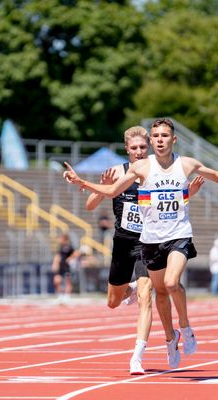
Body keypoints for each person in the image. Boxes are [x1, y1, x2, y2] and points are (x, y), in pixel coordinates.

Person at [63, 118, 218, 369]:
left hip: (167, 236)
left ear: (172, 139)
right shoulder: (133, 170)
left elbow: (212, 177)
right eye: (154, 137)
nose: (155, 143)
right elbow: (107, 195)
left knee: (159, 290)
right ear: (137, 145)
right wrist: (84, 182)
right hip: (137, 241)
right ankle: (170, 337)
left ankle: (160, 342)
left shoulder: (183, 164)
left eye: (162, 137)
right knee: (131, 298)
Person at [85, 125, 204, 375]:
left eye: (142, 147)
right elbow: (91, 205)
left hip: (147, 242)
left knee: (145, 298)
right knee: (112, 302)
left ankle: (138, 355)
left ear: (148, 147)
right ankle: (126, 288)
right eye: (134, 148)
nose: (139, 152)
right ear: (127, 149)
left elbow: (174, 201)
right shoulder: (119, 172)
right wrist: (103, 185)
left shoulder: (156, 169)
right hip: (122, 243)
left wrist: (188, 194)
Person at [51, 233, 80, 303]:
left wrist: (70, 258)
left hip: (66, 267)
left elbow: (77, 253)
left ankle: (67, 296)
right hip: (60, 267)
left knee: (68, 282)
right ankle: (60, 296)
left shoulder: (69, 247)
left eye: (61, 238)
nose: (59, 240)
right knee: (57, 281)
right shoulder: (60, 247)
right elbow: (57, 256)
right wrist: (55, 264)